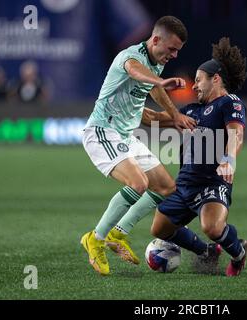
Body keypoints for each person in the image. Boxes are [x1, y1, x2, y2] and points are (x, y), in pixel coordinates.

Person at [80, 16, 196, 276]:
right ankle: (95, 239)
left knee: (166, 187)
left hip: (125, 137)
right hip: (102, 132)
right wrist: (159, 83)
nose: (174, 55)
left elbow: (152, 102)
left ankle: (117, 233)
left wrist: (178, 116)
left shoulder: (155, 66)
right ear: (155, 40)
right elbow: (135, 70)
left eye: (178, 51)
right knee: (138, 183)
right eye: (171, 49)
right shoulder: (131, 56)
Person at [142, 37, 247, 276]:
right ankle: (207, 251)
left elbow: (236, 133)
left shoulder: (229, 103)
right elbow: (151, 119)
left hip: (212, 183)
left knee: (211, 227)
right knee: (159, 228)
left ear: (216, 79)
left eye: (199, 80)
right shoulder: (190, 111)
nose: (194, 85)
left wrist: (229, 159)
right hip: (184, 185)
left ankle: (239, 252)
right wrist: (127, 102)